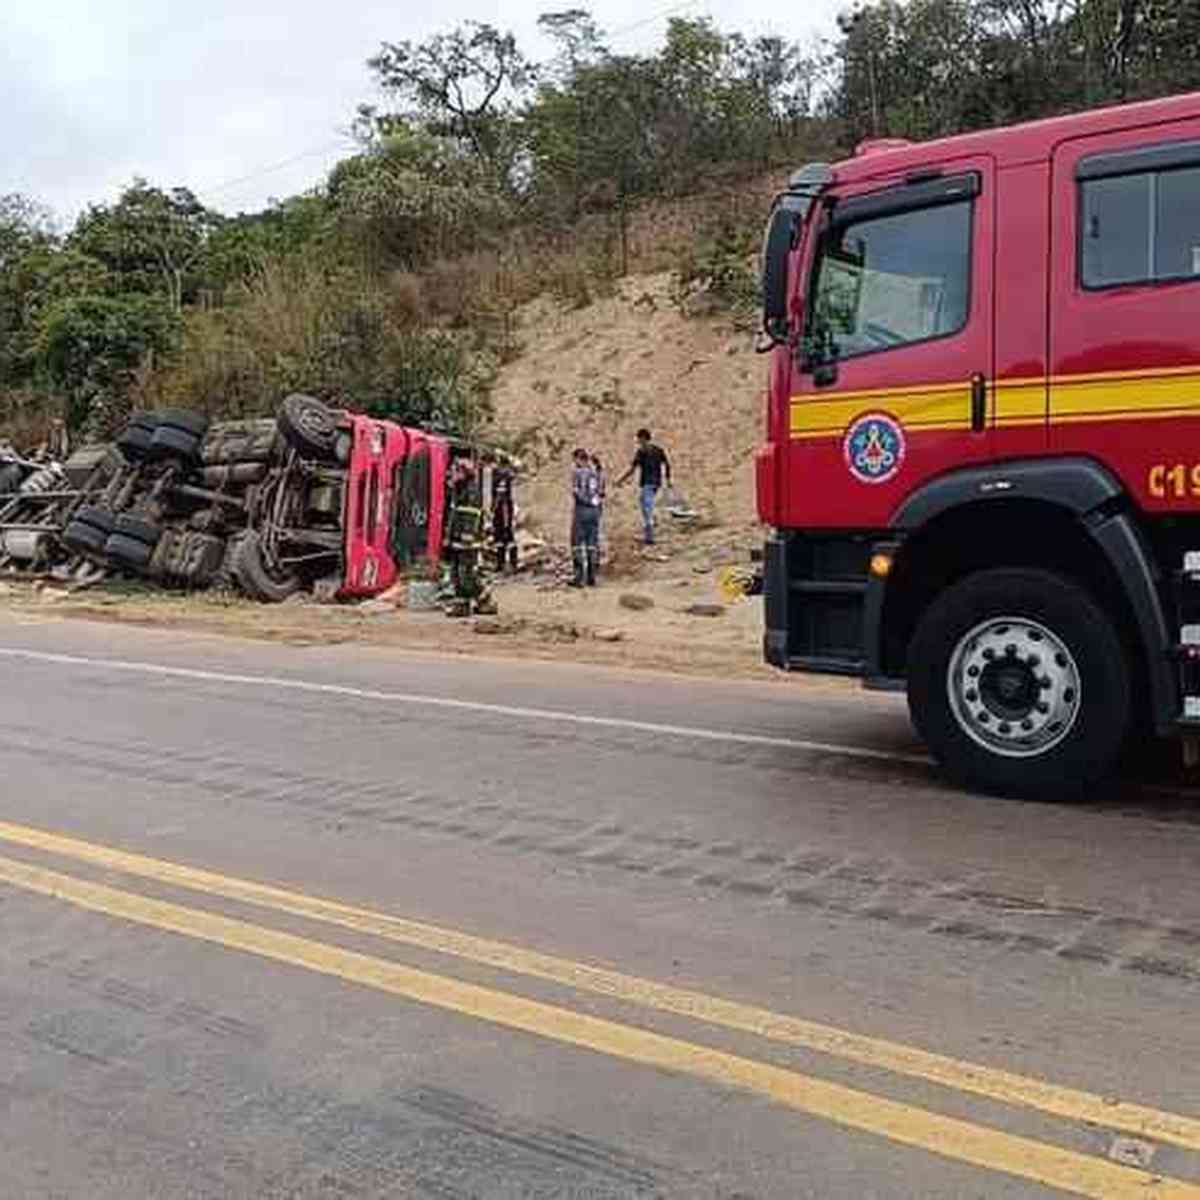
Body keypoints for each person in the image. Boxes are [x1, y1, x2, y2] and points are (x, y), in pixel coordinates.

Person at [616, 428, 672, 545]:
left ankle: (650, 536)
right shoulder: (658, 450)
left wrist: (620, 480)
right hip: (656, 482)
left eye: (639, 439)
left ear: (643, 438)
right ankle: (650, 527)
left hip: (647, 482)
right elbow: (667, 464)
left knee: (647, 507)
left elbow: (632, 469)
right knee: (646, 504)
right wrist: (667, 479)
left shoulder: (641, 452)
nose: (638, 441)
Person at [569, 448, 601, 588]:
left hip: (582, 510)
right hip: (595, 511)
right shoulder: (597, 473)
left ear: (578, 459)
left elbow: (576, 492)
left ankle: (579, 577)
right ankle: (591, 577)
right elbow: (601, 492)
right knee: (592, 543)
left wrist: (585, 502)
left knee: (576, 543)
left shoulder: (577, 473)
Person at [489, 454, 518, 573]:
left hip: (502, 508)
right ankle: (509, 563)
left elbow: (499, 494)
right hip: (504, 508)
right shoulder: (508, 474)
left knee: (503, 535)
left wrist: (493, 508)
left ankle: (506, 563)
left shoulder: (500, 474)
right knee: (503, 535)